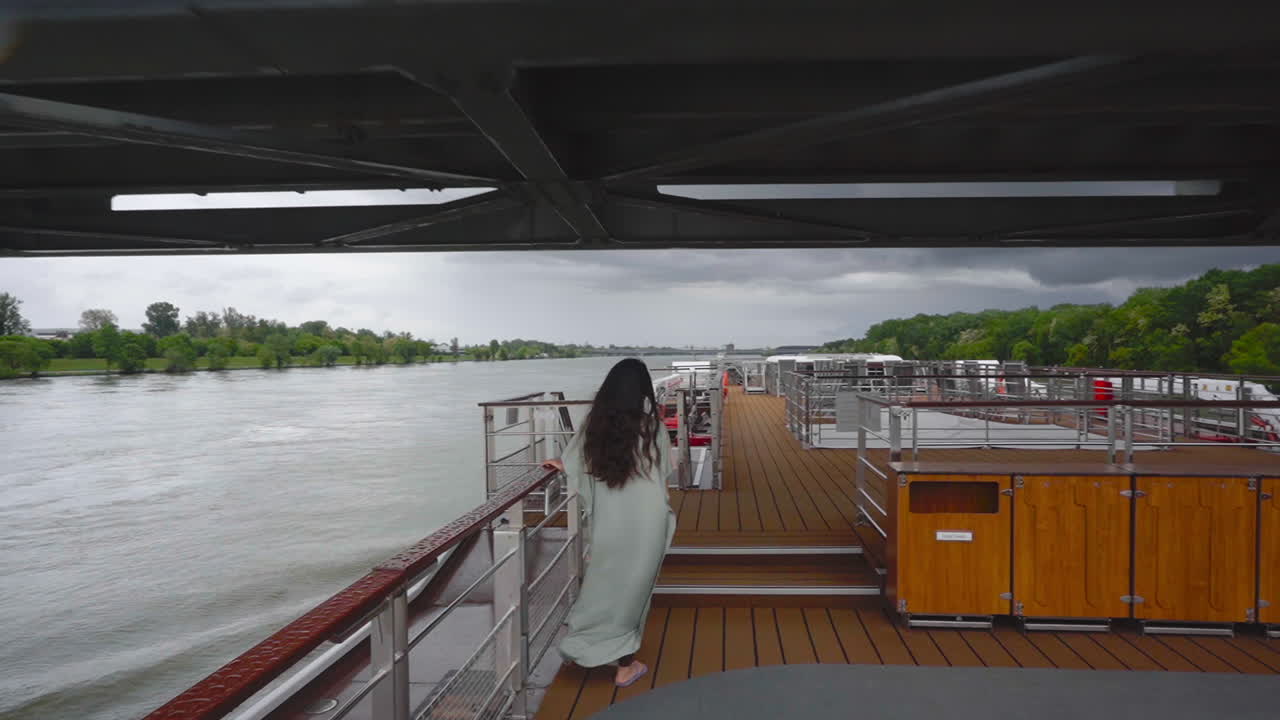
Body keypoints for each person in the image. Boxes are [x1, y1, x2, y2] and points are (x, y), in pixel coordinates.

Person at [542, 358, 676, 688]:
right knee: (634, 591)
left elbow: (574, 463)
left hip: (610, 523)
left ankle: (582, 644)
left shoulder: (595, 427)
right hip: (648, 522)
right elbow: (665, 472)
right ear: (642, 390)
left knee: (603, 583)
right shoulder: (651, 427)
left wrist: (561, 464)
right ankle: (624, 665)